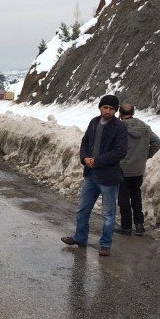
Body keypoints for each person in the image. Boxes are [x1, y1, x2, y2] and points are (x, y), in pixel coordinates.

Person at [61, 95, 128, 257]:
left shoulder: (120, 127)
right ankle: (80, 237)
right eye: (105, 107)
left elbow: (120, 152)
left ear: (115, 111)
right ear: (100, 107)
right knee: (82, 209)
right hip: (91, 175)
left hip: (109, 177)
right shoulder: (94, 122)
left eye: (112, 109)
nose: (108, 111)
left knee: (108, 214)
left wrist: (96, 161)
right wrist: (85, 159)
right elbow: (85, 143)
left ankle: (105, 244)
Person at [114, 103, 160, 236]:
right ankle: (139, 226)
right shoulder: (145, 127)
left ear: (120, 113)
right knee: (136, 196)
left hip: (123, 168)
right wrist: (146, 156)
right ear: (133, 113)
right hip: (138, 169)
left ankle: (126, 227)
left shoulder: (119, 127)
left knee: (123, 198)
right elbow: (157, 142)